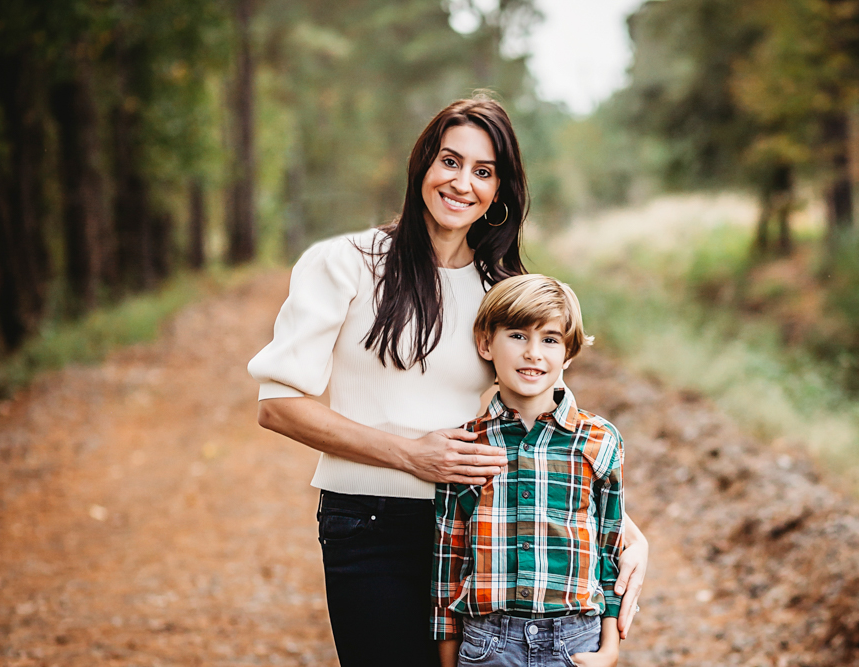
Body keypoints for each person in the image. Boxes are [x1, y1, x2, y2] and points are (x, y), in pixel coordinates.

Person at [248, 96, 647, 667]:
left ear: (500, 192)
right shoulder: (347, 263)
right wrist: (411, 455)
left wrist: (630, 531)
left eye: (484, 172)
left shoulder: (502, 288)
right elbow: (278, 406)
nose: (463, 183)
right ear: (422, 169)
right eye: (450, 162)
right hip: (372, 523)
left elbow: (543, 421)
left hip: (484, 526)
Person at [433, 274, 623, 667]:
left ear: (568, 354)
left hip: (576, 641)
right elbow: (447, 557)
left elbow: (609, 548)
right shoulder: (466, 444)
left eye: (550, 340)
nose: (533, 353)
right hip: (488, 643)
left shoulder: (598, 440)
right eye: (518, 335)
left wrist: (610, 649)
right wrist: (447, 659)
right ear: (487, 343)